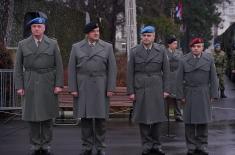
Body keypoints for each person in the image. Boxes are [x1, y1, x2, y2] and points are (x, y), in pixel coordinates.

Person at [14, 17, 64, 155]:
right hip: (30, 81)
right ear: (31, 28)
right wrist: (19, 86)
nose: (37, 28)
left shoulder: (53, 44)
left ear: (44, 28)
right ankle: (36, 144)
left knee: (48, 116)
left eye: (39, 26)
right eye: (34, 26)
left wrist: (59, 84)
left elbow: (59, 65)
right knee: (32, 115)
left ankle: (46, 144)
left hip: (48, 82)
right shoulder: (23, 44)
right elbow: (17, 67)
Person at [68, 22, 117, 155]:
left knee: (101, 120)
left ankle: (101, 147)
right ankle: (87, 147)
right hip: (83, 86)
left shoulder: (107, 47)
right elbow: (72, 69)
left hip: (101, 86)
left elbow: (112, 69)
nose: (97, 33)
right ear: (87, 33)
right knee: (85, 120)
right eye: (94, 31)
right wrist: (73, 88)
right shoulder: (76, 47)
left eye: (98, 31)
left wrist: (111, 87)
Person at [127, 25, 170, 155]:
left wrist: (166, 89)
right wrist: (131, 91)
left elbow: (166, 71)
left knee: (157, 118)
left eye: (149, 35)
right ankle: (146, 145)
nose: (146, 38)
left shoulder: (161, 50)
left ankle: (157, 145)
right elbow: (130, 72)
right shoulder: (134, 51)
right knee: (143, 118)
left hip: (157, 87)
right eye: (144, 35)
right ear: (142, 37)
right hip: (141, 87)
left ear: (153, 36)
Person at [176, 38, 219, 155]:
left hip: (204, 93)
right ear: (191, 48)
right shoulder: (184, 60)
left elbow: (213, 78)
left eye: (198, 46)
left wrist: (214, 94)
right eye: (194, 46)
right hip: (189, 93)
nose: (196, 48)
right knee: (189, 123)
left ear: (202, 47)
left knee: (203, 122)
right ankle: (191, 146)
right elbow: (178, 79)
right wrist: (180, 95)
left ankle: (202, 146)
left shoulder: (209, 59)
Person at [165, 36, 183, 122]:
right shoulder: (164, 52)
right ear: (169, 44)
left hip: (176, 76)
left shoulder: (179, 53)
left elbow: (182, 64)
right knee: (166, 97)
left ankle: (178, 115)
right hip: (166, 76)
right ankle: (165, 115)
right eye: (174, 43)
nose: (176, 45)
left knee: (177, 97)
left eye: (176, 43)